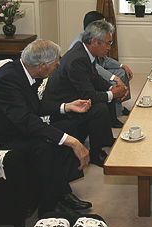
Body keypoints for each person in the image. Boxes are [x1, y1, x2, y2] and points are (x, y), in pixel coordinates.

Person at [0, 39, 92, 218]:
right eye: (56, 64)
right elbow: (26, 120)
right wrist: (71, 141)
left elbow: (34, 107)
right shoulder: (7, 80)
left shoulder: (23, 71)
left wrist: (67, 106)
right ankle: (50, 207)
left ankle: (61, 190)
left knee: (67, 125)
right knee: (43, 146)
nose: (57, 67)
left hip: (11, 128)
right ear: (42, 66)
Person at [44, 20, 129, 168]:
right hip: (62, 108)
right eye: (108, 43)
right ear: (95, 42)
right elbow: (88, 94)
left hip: (74, 98)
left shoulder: (85, 52)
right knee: (100, 107)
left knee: (104, 98)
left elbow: (95, 78)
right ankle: (96, 153)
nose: (109, 47)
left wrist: (112, 88)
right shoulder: (78, 59)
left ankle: (105, 139)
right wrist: (112, 95)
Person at [69, 11, 133, 119]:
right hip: (83, 87)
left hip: (99, 70)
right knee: (113, 82)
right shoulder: (79, 50)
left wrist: (122, 66)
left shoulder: (93, 43)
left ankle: (120, 106)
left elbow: (104, 61)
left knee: (122, 72)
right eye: (102, 25)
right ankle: (114, 116)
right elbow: (95, 71)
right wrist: (114, 82)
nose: (109, 47)